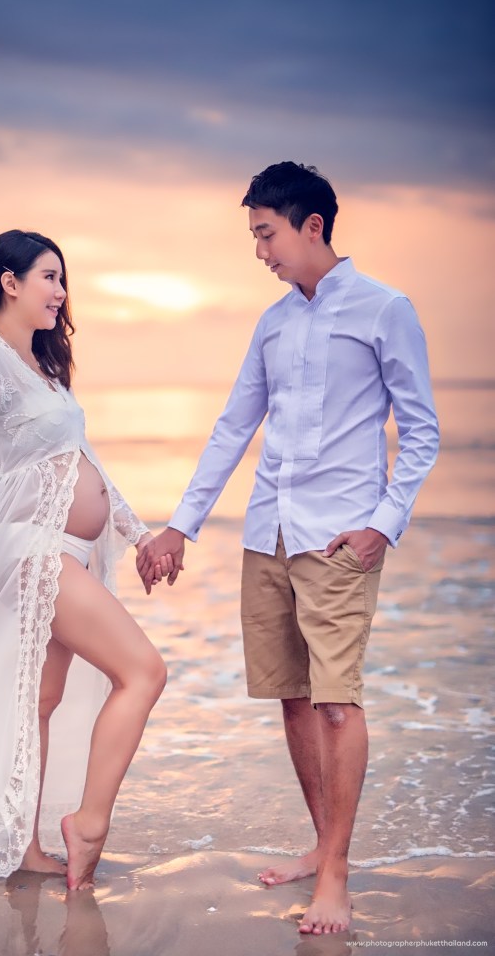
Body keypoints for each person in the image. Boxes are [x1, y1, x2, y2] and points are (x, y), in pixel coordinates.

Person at [138, 162, 439, 935]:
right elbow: (234, 426)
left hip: (340, 534)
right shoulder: (272, 322)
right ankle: (320, 844)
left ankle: (334, 874)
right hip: (268, 528)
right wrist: (181, 524)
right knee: (293, 697)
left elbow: (420, 428)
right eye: (253, 237)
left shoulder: (384, 309)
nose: (260, 251)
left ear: (312, 226)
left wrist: (384, 522)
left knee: (338, 703)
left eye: (266, 234)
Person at [0, 230, 167, 890]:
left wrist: (138, 536)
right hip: (32, 549)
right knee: (143, 671)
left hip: (70, 547)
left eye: (62, 279)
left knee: (42, 700)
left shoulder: (44, 371)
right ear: (9, 283)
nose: (60, 291)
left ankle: (26, 848)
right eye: (49, 277)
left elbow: (83, 465)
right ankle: (89, 822)